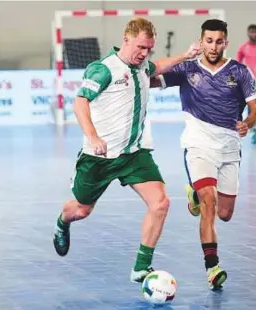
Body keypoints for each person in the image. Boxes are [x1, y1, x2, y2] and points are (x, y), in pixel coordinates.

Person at [52, 17, 200, 283]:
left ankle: (141, 267)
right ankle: (62, 222)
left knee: (161, 203)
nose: (144, 54)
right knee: (81, 210)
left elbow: (158, 67)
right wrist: (93, 136)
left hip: (134, 154)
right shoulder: (103, 69)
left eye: (149, 49)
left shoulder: (143, 65)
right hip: (99, 157)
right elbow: (80, 103)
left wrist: (185, 56)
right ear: (126, 39)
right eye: (141, 47)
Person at [151, 19, 256, 290]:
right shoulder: (187, 69)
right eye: (208, 41)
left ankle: (194, 193)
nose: (213, 46)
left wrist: (248, 122)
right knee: (209, 203)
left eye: (218, 41)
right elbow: (150, 78)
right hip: (198, 145)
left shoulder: (240, 72)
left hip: (229, 148)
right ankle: (212, 268)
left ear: (226, 42)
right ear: (201, 42)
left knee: (225, 214)